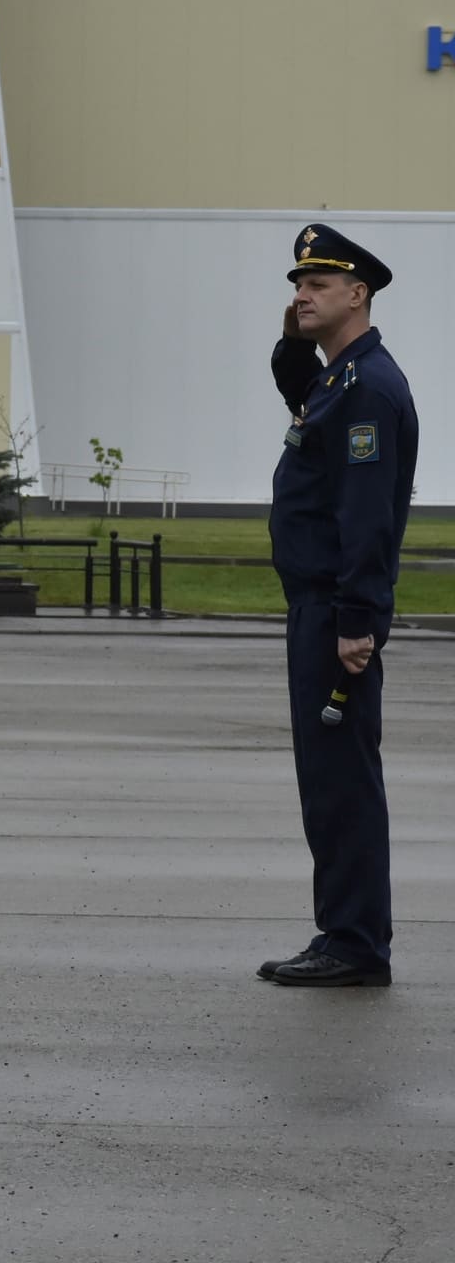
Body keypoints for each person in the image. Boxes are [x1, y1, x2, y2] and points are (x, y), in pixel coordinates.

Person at [260, 223, 416, 990]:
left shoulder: (368, 389)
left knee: (342, 782)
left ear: (358, 293)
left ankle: (353, 942)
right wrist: (295, 337)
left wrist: (359, 619)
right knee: (328, 781)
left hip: (335, 614)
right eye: (297, 285)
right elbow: (296, 386)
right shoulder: (338, 379)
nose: (301, 294)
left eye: (317, 285)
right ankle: (346, 930)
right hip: (317, 608)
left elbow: (367, 517)